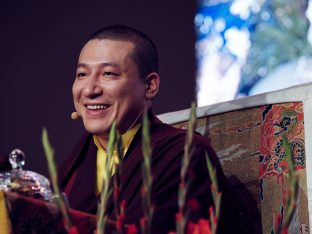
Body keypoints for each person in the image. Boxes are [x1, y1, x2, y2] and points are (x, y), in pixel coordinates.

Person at [58, 25, 231, 233]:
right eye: (82, 74)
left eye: (108, 73)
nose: (89, 89)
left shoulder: (185, 154)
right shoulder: (72, 167)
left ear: (150, 86)